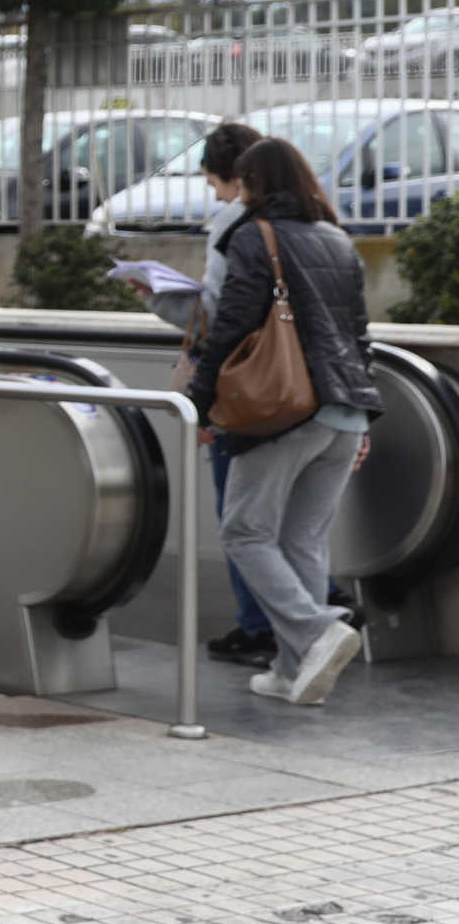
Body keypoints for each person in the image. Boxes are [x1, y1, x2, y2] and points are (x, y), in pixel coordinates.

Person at [183, 136, 378, 707]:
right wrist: (363, 417)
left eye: (242, 184)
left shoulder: (253, 236)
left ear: (255, 184)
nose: (238, 194)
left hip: (283, 410)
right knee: (302, 540)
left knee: (245, 531)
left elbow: (234, 321)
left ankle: (316, 630)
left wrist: (199, 399)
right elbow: (358, 335)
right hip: (343, 412)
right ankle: (296, 671)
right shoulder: (338, 240)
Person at [129, 121, 285, 667]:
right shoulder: (305, 220)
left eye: (213, 182)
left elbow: (219, 315)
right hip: (299, 388)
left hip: (243, 386)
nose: (213, 194)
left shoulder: (233, 223)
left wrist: (156, 298)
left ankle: (267, 624)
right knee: (289, 520)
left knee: (238, 516)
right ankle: (311, 614)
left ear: (229, 176)